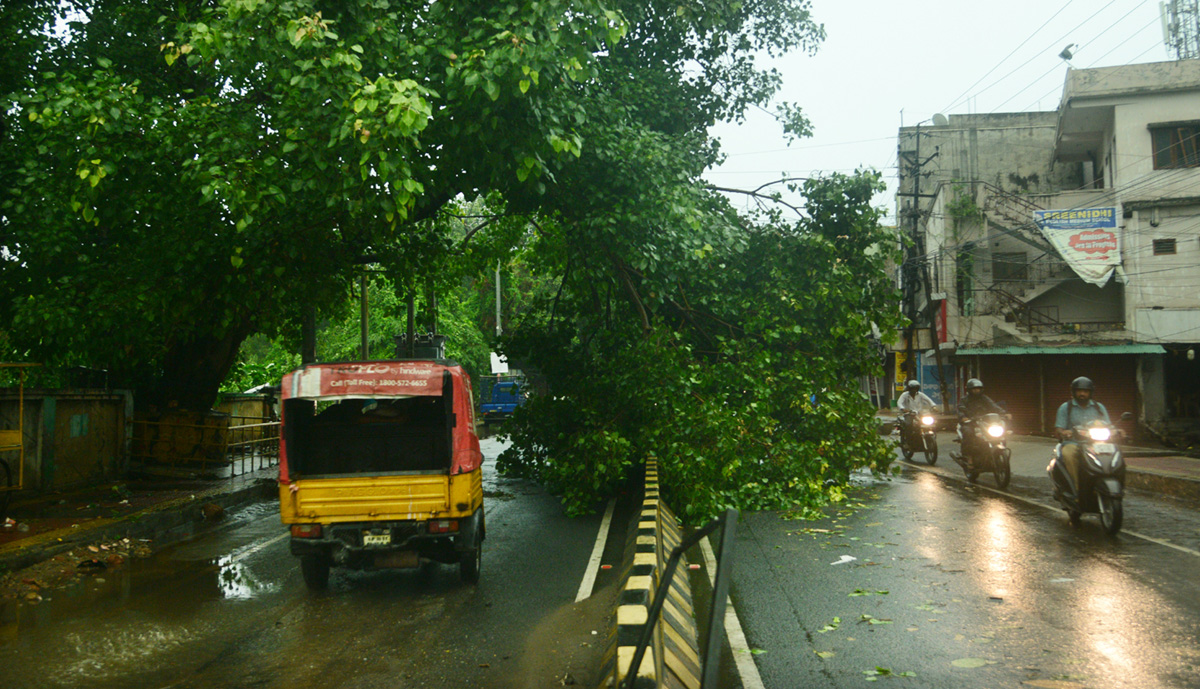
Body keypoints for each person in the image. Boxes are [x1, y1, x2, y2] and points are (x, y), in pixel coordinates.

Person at [1053, 376, 1111, 498]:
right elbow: (1059, 428)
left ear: (1090, 393)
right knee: (1069, 454)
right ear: (1074, 392)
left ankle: (1111, 484)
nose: (1082, 394)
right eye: (1079, 391)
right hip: (1074, 443)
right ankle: (1077, 489)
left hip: (1097, 443)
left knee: (1115, 454)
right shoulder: (1065, 407)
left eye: (1085, 391)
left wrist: (1117, 430)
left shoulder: (1099, 407)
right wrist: (1065, 432)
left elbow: (1108, 425)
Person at [956, 378, 1005, 463]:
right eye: (974, 389)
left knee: (1000, 432)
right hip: (970, 422)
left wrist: (1003, 413)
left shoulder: (984, 398)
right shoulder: (964, 400)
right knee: (968, 433)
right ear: (969, 390)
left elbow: (993, 405)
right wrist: (963, 417)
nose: (976, 391)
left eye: (978, 389)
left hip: (984, 421)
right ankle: (968, 457)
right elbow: (960, 409)